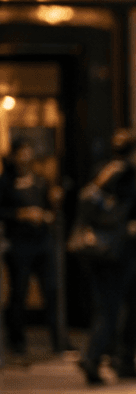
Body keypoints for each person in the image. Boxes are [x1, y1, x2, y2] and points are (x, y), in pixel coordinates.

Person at [76, 132, 136, 383]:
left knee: (107, 306)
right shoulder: (127, 173)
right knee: (114, 307)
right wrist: (133, 225)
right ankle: (96, 358)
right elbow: (128, 213)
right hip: (117, 251)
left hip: (97, 248)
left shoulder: (103, 169)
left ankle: (113, 359)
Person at [0, 142, 64, 357]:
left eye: (29, 155)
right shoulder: (6, 183)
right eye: (22, 155)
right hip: (19, 244)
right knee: (19, 293)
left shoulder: (40, 181)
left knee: (52, 291)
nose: (26, 160)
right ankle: (17, 341)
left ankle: (58, 341)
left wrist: (48, 213)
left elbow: (50, 209)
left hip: (42, 242)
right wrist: (22, 214)